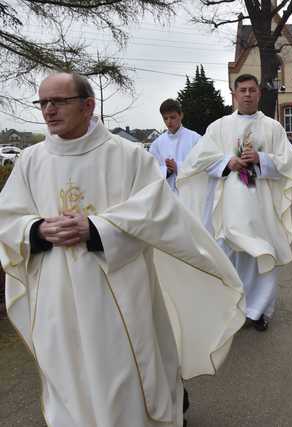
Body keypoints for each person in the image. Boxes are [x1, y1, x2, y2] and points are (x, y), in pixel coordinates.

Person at [0, 72, 245, 427]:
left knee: (121, 369)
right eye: (43, 103)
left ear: (88, 105)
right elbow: (8, 217)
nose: (49, 110)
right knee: (68, 369)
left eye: (59, 101)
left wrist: (97, 228)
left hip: (117, 290)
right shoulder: (31, 160)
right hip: (56, 292)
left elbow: (157, 213)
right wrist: (36, 230)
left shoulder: (128, 156)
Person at [178, 74, 292, 331]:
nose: (247, 94)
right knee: (228, 253)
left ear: (259, 94)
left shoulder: (273, 128)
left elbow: (288, 164)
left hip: (262, 204)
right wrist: (227, 162)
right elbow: (196, 160)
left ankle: (258, 312)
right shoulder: (219, 127)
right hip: (229, 203)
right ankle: (232, 307)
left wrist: (261, 158)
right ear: (233, 94)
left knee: (262, 254)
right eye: (242, 90)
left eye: (252, 90)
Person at [149, 99, 201, 191]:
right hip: (167, 195)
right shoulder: (156, 144)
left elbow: (202, 164)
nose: (169, 122)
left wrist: (178, 167)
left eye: (172, 117)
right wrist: (167, 171)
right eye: (165, 118)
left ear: (181, 115)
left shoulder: (195, 139)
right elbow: (151, 170)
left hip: (190, 193)